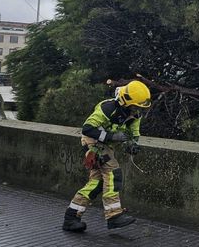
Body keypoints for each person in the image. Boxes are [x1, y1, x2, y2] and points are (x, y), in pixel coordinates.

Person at [62, 80, 151, 232]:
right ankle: (113, 215)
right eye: (135, 107)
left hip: (106, 145)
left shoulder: (135, 115)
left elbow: (134, 134)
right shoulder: (108, 108)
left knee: (96, 184)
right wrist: (111, 136)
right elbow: (87, 129)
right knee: (113, 173)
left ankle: (71, 218)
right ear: (126, 102)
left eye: (140, 108)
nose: (137, 111)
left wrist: (133, 145)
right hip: (93, 143)